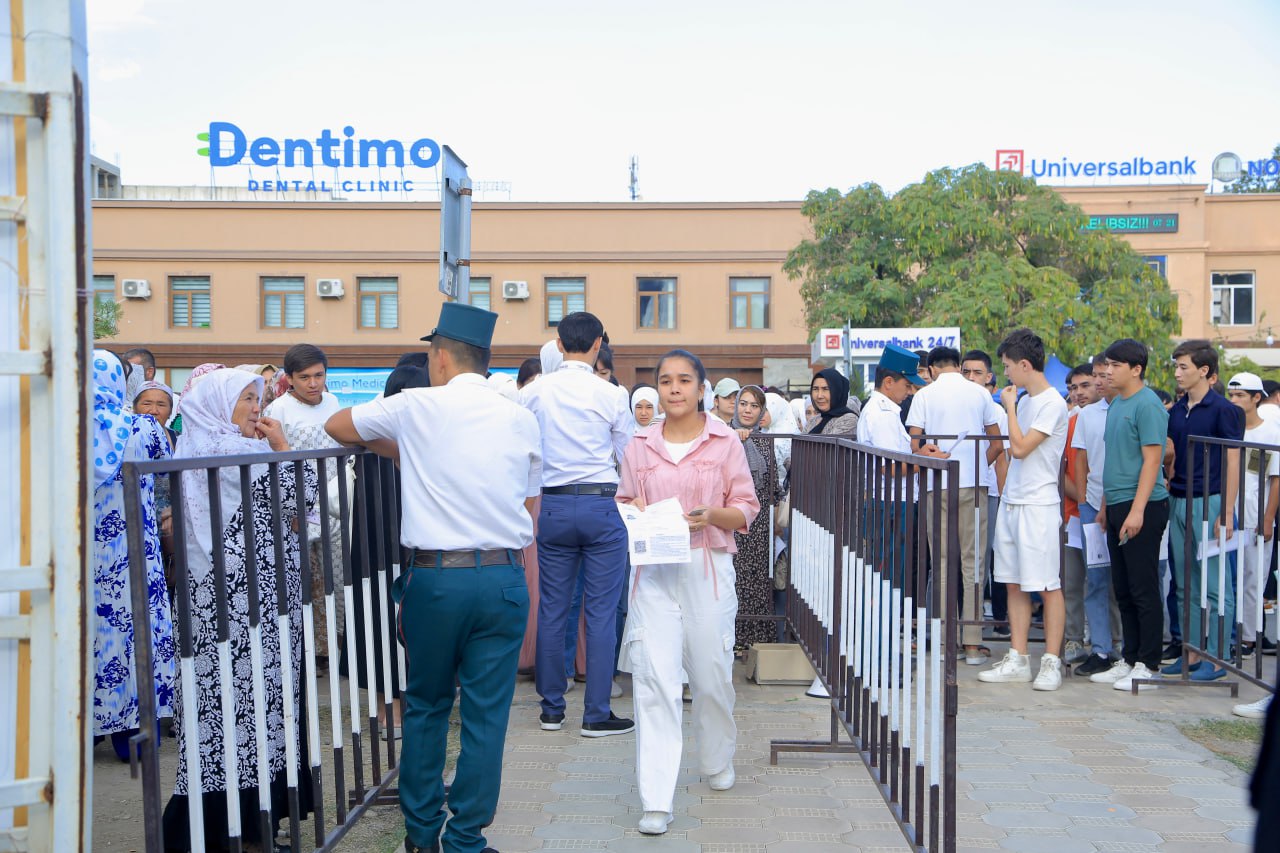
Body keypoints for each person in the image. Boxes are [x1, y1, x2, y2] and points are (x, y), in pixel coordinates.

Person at [325, 302, 541, 853]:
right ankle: (465, 839)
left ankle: (422, 836)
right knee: (488, 716)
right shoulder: (519, 416)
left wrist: (405, 452)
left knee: (425, 705)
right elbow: (531, 502)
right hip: (502, 576)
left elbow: (337, 425)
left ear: (439, 357)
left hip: (437, 580)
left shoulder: (415, 405)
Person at [162, 368, 316, 852]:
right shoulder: (229, 455)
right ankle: (223, 827)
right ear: (215, 406)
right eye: (247, 399)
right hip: (232, 609)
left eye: (259, 397)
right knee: (232, 710)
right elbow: (301, 496)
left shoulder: (234, 451)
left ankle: (249, 825)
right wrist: (283, 448)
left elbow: (300, 507)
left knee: (251, 711)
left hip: (258, 609)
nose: (257, 408)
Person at [616, 349, 760, 836]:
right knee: (655, 679)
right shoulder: (639, 444)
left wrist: (711, 515)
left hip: (706, 565)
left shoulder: (725, 442)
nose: (673, 388)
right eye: (665, 381)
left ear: (702, 388)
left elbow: (746, 507)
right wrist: (634, 507)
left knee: (712, 673)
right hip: (654, 571)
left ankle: (717, 757)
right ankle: (656, 797)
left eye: (683, 380)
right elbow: (623, 498)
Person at [522, 311, 635, 736]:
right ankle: (596, 713)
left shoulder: (534, 392)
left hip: (552, 506)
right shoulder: (610, 393)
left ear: (558, 341)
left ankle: (551, 709)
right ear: (598, 344)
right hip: (601, 506)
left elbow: (526, 450)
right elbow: (627, 456)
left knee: (552, 608)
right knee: (601, 612)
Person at [91, 351, 177, 762]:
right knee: (136, 632)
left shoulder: (63, 426)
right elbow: (164, 470)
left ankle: (83, 731)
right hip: (133, 554)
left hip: (78, 557)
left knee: (84, 634)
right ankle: (135, 737)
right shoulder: (142, 427)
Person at [979, 329, 1069, 691]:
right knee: (1013, 580)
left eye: (1008, 367)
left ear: (1025, 364)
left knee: (1047, 583)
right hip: (1013, 500)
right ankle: (1017, 657)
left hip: (1039, 503)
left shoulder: (1051, 403)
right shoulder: (1027, 400)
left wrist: (1011, 407)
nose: (1005, 375)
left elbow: (1019, 448)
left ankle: (1051, 661)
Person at [1081, 339, 1172, 693]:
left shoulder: (1148, 405)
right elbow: (1113, 461)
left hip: (1144, 506)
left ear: (1136, 369)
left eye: (1116, 365)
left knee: (1143, 587)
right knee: (1123, 587)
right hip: (1116, 504)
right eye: (1107, 364)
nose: (1108, 371)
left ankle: (1149, 664)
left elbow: (1153, 460)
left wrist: (1136, 510)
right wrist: (1106, 505)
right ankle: (1130, 659)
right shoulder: (1117, 403)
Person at [906, 346, 1004, 664]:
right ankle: (973, 644)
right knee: (973, 562)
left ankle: (946, 642)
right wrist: (980, 464)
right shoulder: (978, 394)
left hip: (937, 485)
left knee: (943, 563)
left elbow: (915, 445)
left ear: (932, 368)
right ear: (959, 366)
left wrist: (932, 455)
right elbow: (996, 439)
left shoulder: (925, 395)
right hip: (974, 487)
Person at [1165, 339, 1243, 680]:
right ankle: (1191, 653)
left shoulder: (1225, 410)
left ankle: (1220, 659)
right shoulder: (1176, 410)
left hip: (1210, 501)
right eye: (1176, 366)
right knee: (1184, 584)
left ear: (1205, 370)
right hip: (1178, 499)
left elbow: (1233, 460)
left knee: (1216, 585)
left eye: (1184, 367)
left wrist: (1226, 513)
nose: (1178, 373)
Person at [263, 344, 347, 660]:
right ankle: (301, 651)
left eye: (319, 376)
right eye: (305, 377)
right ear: (290, 378)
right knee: (300, 582)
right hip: (295, 510)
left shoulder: (335, 403)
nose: (313, 384)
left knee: (336, 579)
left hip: (336, 507)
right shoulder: (277, 412)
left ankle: (334, 647)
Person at [1068, 355, 1126, 676]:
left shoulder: (1134, 407)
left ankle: (1128, 648)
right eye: (1097, 375)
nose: (1101, 381)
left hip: (1125, 502)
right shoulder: (1087, 415)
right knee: (1096, 578)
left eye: (1106, 375)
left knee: (1127, 581)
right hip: (1091, 505)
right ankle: (1101, 649)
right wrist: (1083, 498)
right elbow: (1080, 459)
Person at [1226, 373, 1280, 689]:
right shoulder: (1229, 426)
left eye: (1240, 396)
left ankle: (1249, 638)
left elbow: (1276, 477)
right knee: (1228, 577)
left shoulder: (1270, 431)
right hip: (1228, 514)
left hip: (1257, 514)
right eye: (1231, 396)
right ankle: (1228, 633)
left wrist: (1269, 516)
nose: (1234, 402)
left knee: (1254, 577)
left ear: (1256, 398)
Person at [961, 349, 1010, 639]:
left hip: (989, 491)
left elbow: (1001, 455)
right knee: (967, 561)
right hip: (960, 489)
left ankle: (996, 620)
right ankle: (966, 623)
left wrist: (1003, 498)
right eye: (965, 371)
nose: (970, 377)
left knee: (989, 558)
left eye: (977, 372)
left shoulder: (998, 412)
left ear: (989, 377)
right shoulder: (957, 406)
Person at [730, 385, 780, 650]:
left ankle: (757, 641)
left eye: (754, 406)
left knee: (760, 579)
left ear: (762, 411)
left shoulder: (766, 440)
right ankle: (734, 639)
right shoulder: (724, 437)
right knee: (733, 579)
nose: (748, 410)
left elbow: (774, 485)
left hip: (759, 524)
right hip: (732, 520)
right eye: (744, 404)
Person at [1060, 364, 1095, 666]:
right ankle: (1072, 639)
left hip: (1104, 514)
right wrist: (1083, 501)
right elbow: (1060, 471)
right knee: (1071, 583)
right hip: (1074, 514)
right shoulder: (1067, 421)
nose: (1079, 393)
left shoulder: (1111, 418)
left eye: (1085, 385)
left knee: (1101, 583)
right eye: (1073, 388)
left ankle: (1106, 643)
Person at [807, 368, 860, 436]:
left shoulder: (849, 419)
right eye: (815, 389)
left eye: (825, 389)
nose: (819, 396)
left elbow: (827, 446)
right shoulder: (813, 421)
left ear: (837, 392)